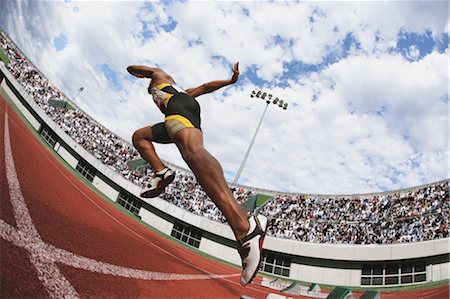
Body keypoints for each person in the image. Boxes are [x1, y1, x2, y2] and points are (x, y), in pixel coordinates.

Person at [127, 62, 267, 286]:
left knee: (193, 153)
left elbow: (131, 68)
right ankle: (161, 172)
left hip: (178, 109)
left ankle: (245, 228)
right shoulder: (182, 91)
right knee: (139, 137)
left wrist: (144, 75)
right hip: (177, 112)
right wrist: (229, 81)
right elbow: (205, 86)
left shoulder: (160, 77)